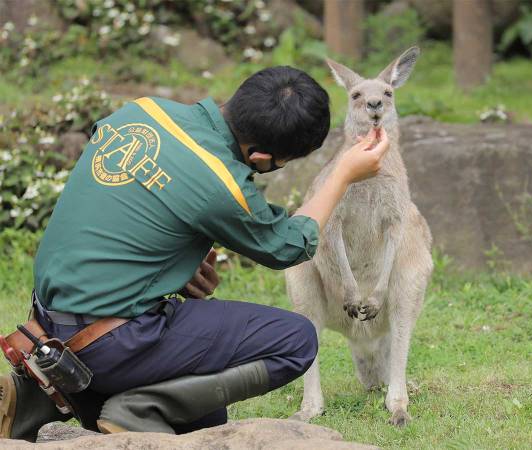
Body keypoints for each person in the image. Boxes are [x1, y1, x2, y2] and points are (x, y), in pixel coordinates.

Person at [0, 66, 390, 441]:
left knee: (205, 417)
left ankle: (38, 402)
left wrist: (170, 262)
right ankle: (136, 408)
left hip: (48, 320)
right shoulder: (220, 183)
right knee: (296, 339)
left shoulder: (141, 110)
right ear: (260, 157)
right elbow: (289, 244)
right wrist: (343, 174)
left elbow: (125, 202)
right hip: (108, 340)